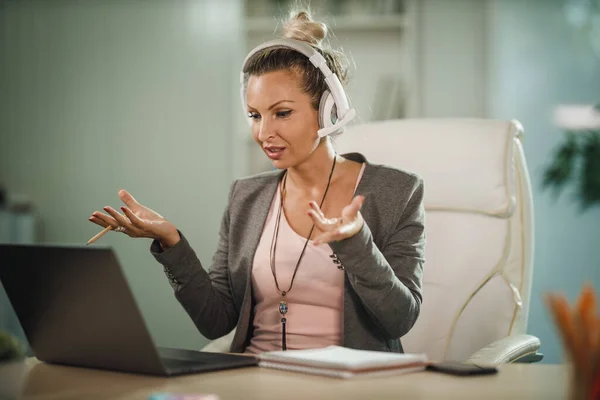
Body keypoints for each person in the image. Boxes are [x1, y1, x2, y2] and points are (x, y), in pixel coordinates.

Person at [89, 9, 425, 354]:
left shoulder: (397, 192)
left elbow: (400, 319)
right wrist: (171, 243)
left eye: (282, 113)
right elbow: (216, 320)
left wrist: (356, 243)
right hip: (253, 378)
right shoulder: (246, 196)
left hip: (344, 385)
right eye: (254, 115)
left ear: (328, 111)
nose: (264, 133)